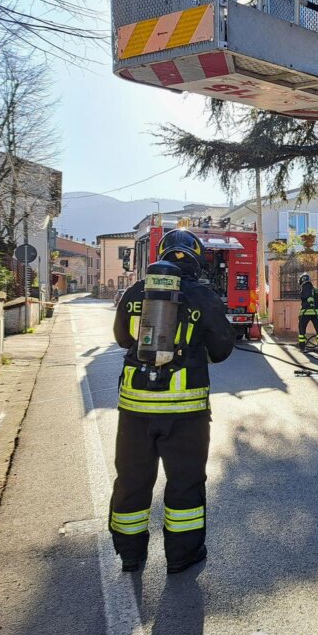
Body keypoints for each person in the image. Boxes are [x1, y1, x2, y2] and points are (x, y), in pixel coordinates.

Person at [111, 229, 234, 574]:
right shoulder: (202, 296)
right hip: (186, 413)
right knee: (185, 484)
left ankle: (130, 555)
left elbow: (123, 339)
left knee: (132, 481)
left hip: (135, 410)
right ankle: (182, 556)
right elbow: (222, 351)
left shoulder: (136, 292)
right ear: (197, 257)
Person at [296, 272, 318, 353]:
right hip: (317, 313)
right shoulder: (315, 289)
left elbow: (308, 296)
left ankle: (302, 346)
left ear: (301, 280)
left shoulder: (305, 286)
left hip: (307, 312)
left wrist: (311, 303)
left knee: (301, 329)